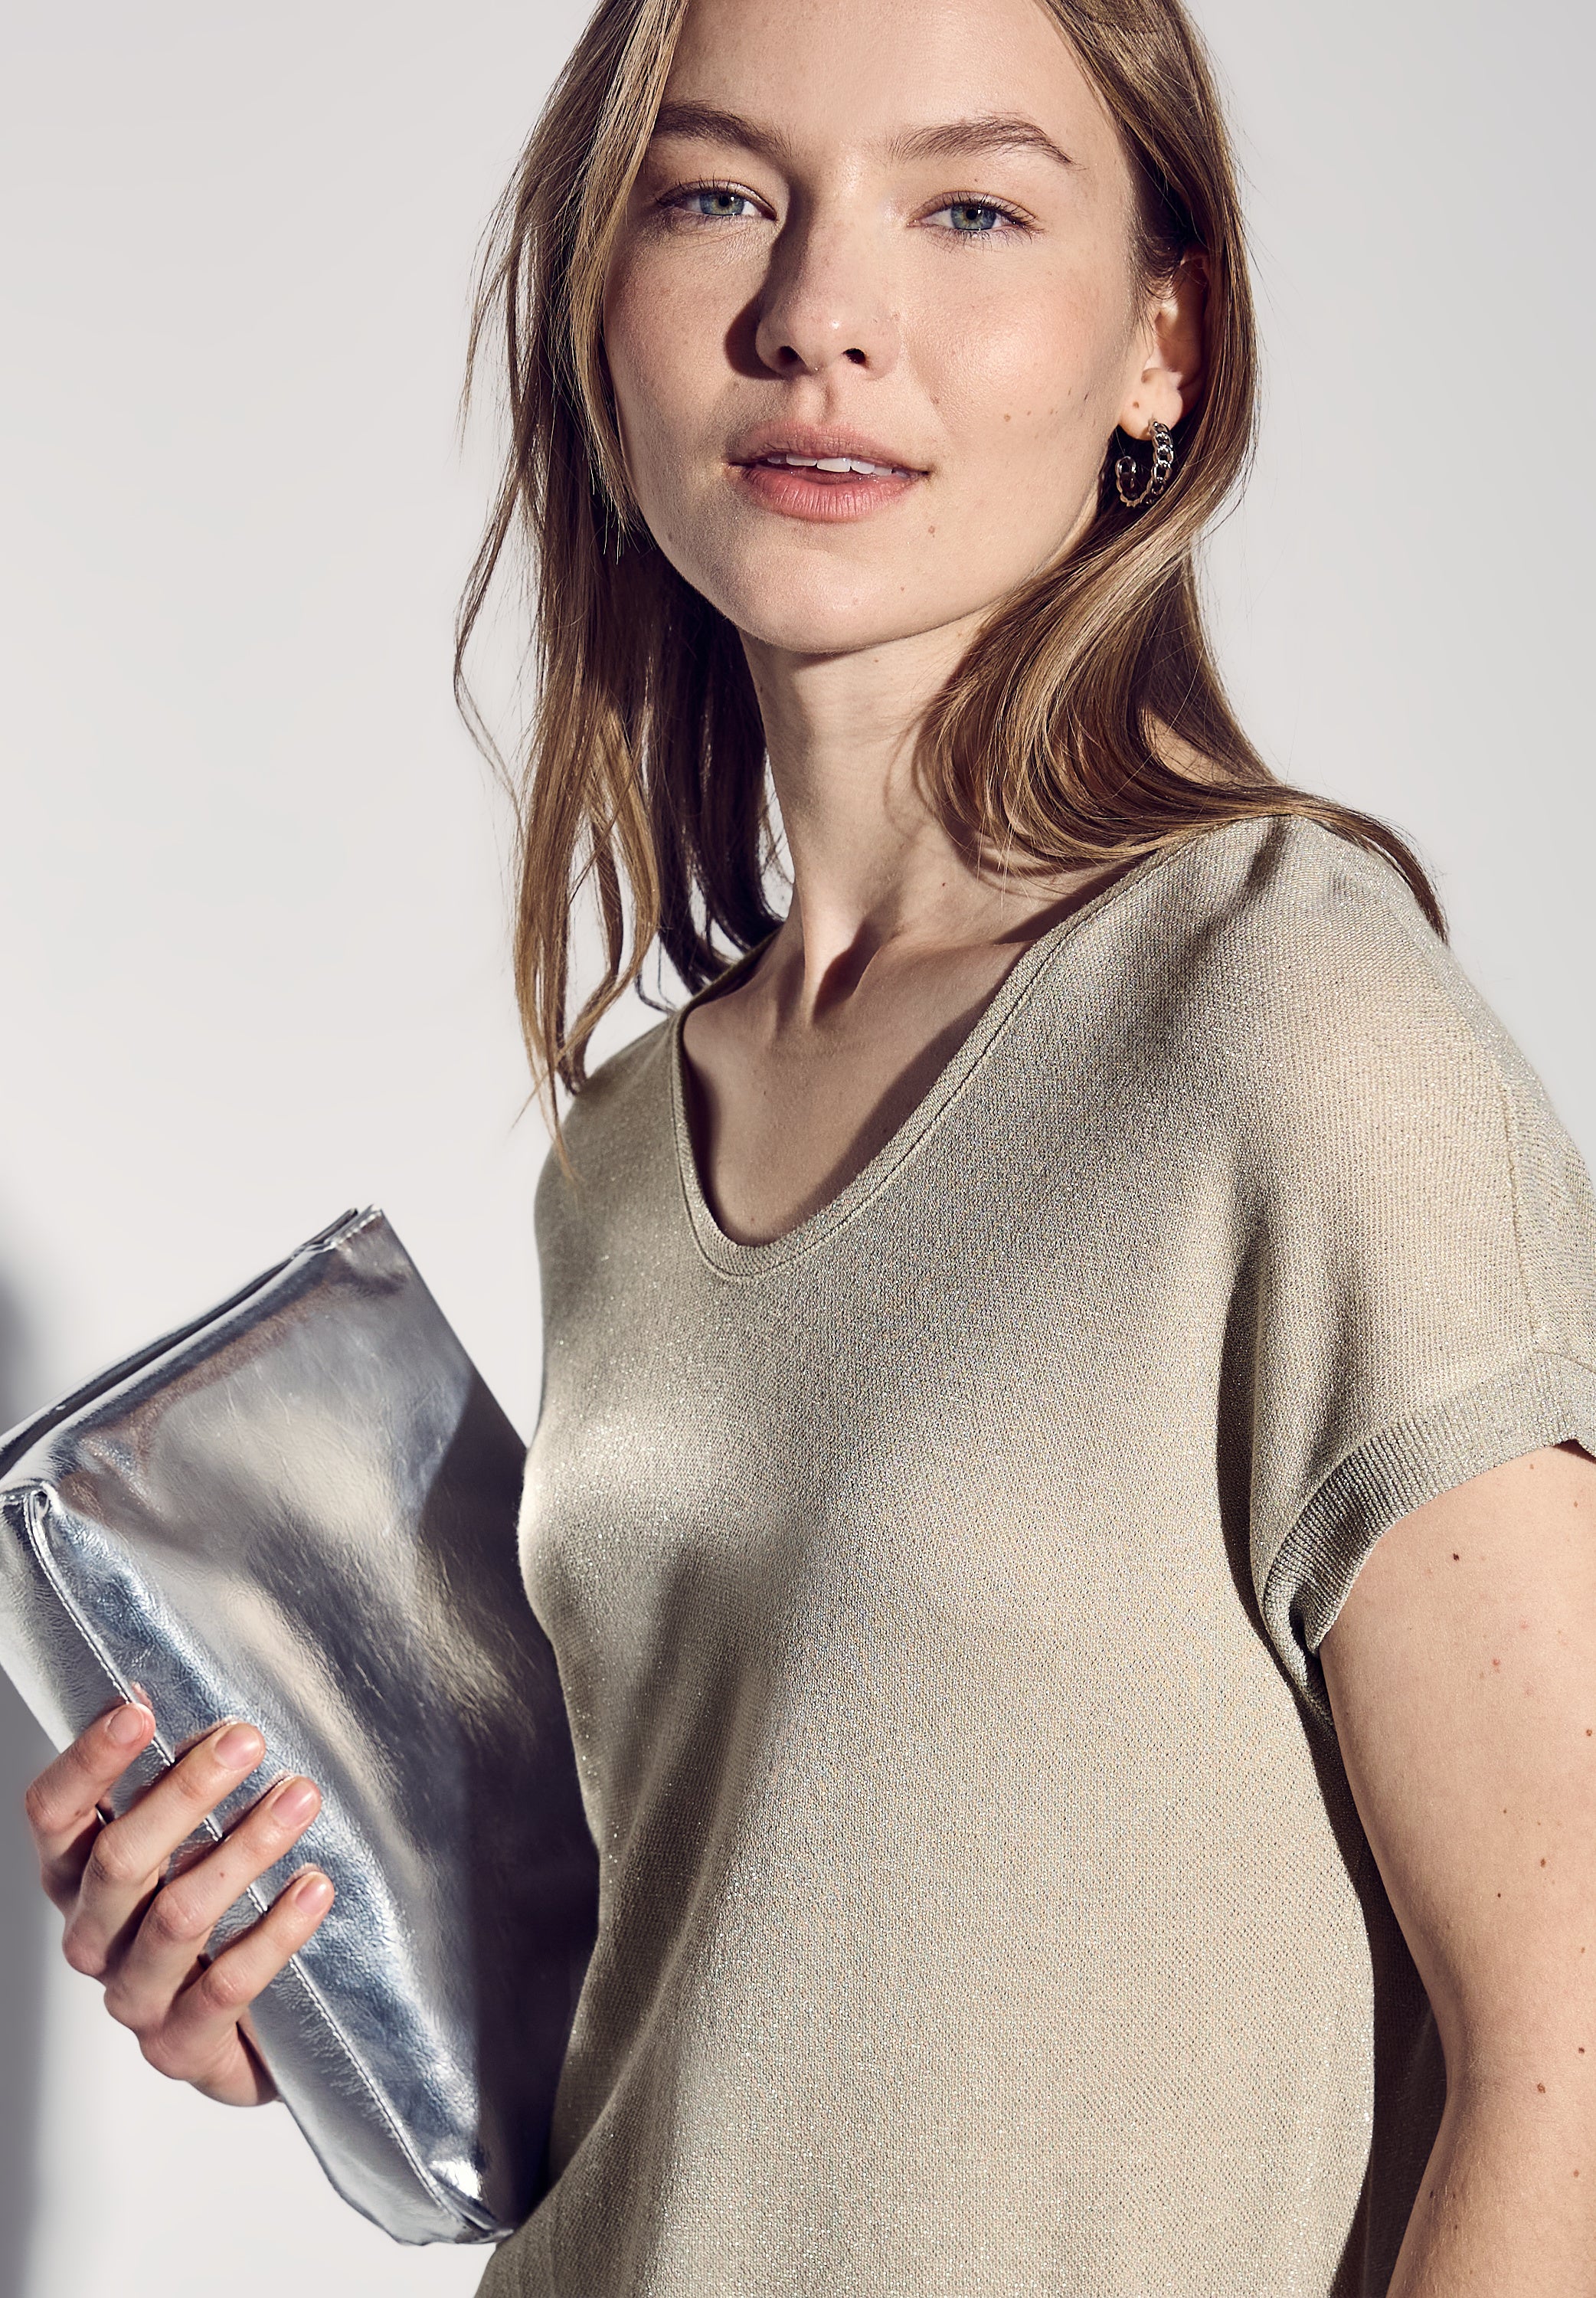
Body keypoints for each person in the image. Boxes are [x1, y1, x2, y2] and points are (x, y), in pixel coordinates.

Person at [21, 0, 1596, 2288]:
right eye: (717, 195)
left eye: (970, 209)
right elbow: (758, 2018)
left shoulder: (1284, 1022)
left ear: (1164, 336)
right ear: (601, 313)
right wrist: (303, 1985)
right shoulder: (622, 1163)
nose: (819, 315)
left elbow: (1570, 2045)